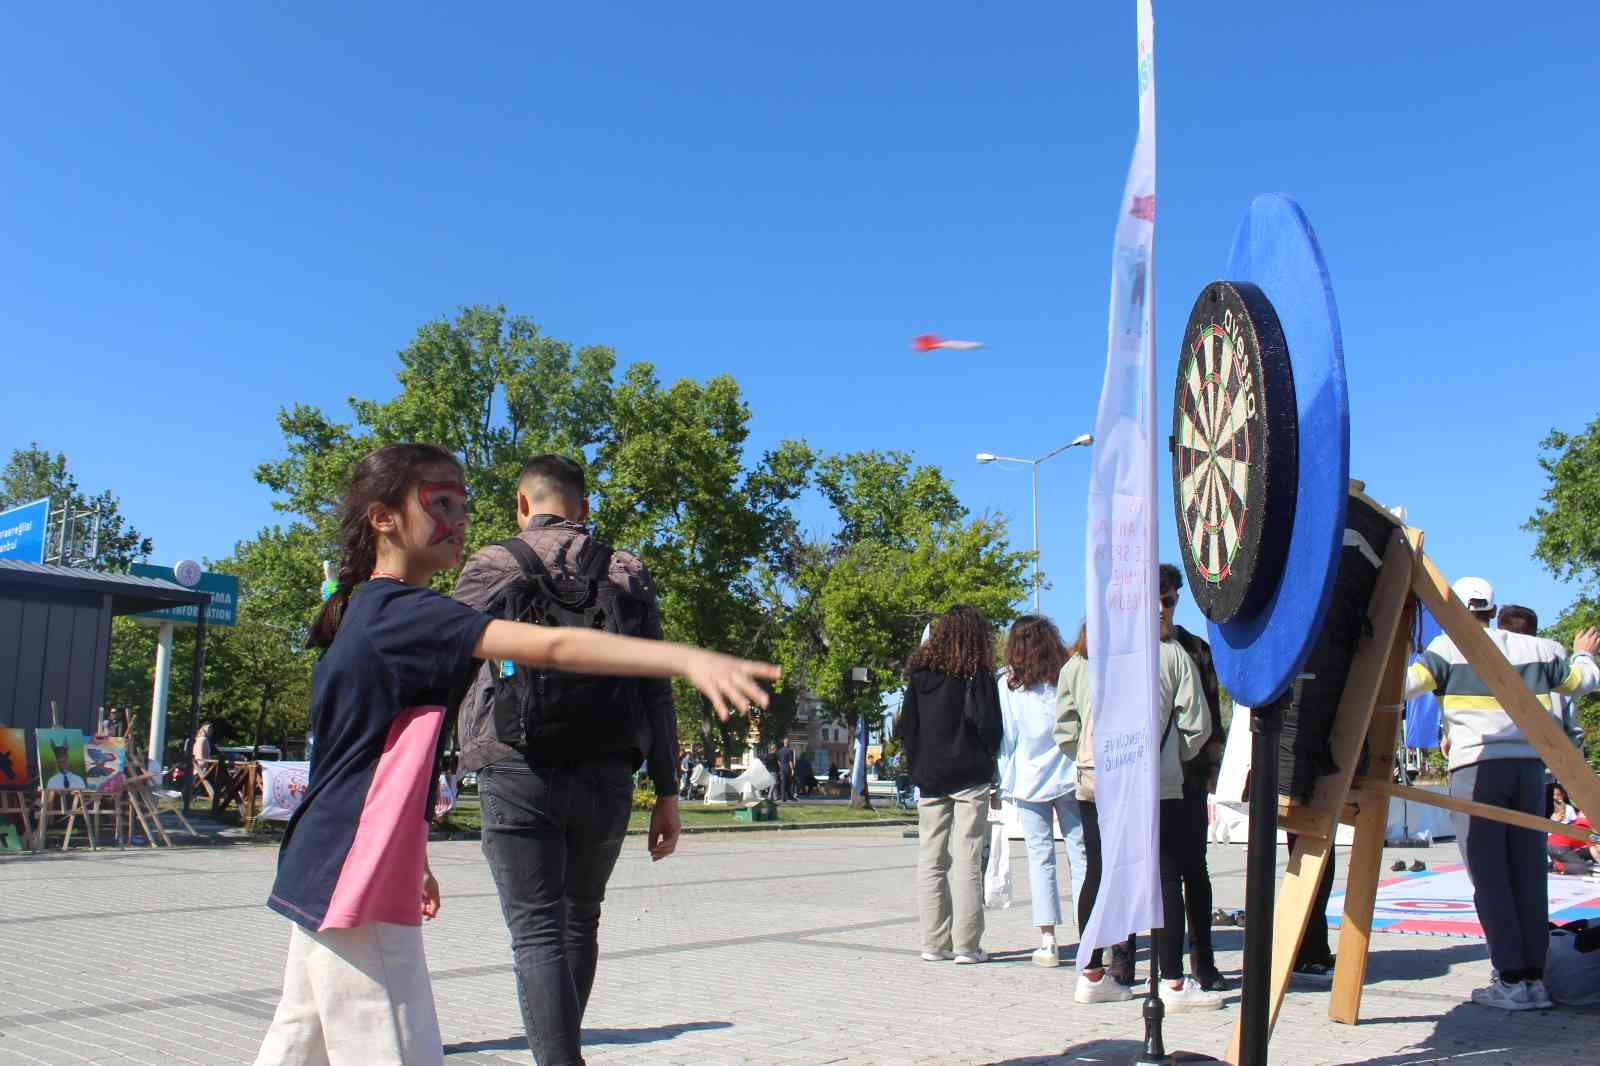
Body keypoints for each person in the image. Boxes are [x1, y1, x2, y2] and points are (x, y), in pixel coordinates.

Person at [254, 443, 778, 1066]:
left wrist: (414, 855)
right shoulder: (403, 613)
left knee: (300, 1037)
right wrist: (683, 659)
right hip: (356, 868)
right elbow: (554, 647)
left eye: (463, 504)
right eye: (439, 503)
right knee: (395, 1046)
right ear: (382, 517)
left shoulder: (375, 609)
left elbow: (368, 758)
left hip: (327, 858)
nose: (459, 519)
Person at [450, 453, 703, 1066]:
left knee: (536, 931)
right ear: (584, 507)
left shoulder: (492, 565)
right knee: (580, 920)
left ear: (521, 503)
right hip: (607, 769)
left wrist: (432, 771)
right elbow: (656, 686)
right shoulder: (627, 571)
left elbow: (443, 667)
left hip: (515, 763)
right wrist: (668, 792)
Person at [1406, 575, 1600, 1011]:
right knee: (1528, 874)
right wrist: (1584, 652)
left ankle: (1511, 980)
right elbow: (1584, 680)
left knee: (1491, 878)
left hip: (1477, 769)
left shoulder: (1446, 649)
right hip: (1530, 771)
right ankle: (1534, 978)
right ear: (1492, 611)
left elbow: (1402, 687)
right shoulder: (1541, 648)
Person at [1055, 603, 1221, 1011]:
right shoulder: (1170, 654)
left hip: (1097, 781)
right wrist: (1171, 759)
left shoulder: (1081, 660)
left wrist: (1090, 759)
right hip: (1156, 784)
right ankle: (1173, 982)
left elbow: (1065, 729)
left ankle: (1092, 975)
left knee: (1098, 873)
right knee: (1166, 875)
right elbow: (1197, 725)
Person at [900, 605, 1003, 966]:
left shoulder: (919, 677)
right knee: (967, 858)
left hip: (930, 776)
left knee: (931, 859)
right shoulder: (977, 674)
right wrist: (989, 758)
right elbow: (990, 726)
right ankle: (967, 946)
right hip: (970, 774)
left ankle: (933, 942)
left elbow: (906, 727)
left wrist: (917, 763)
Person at [996, 615, 1085, 968]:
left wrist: (1003, 782)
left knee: (1040, 858)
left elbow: (1008, 738)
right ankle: (1092, 933)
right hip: (1070, 775)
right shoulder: (1067, 674)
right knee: (1081, 854)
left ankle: (1048, 939)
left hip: (1029, 779)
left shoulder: (1009, 683)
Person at [1158, 564, 1227, 991]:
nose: (1162, 608)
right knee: (1135, 870)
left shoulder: (1195, 649)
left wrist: (1207, 769)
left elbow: (1211, 719)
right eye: (1156, 599)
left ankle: (1204, 963)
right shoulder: (1124, 649)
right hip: (1140, 783)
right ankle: (1124, 962)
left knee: (1193, 870)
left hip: (1187, 778)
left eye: (1169, 600)